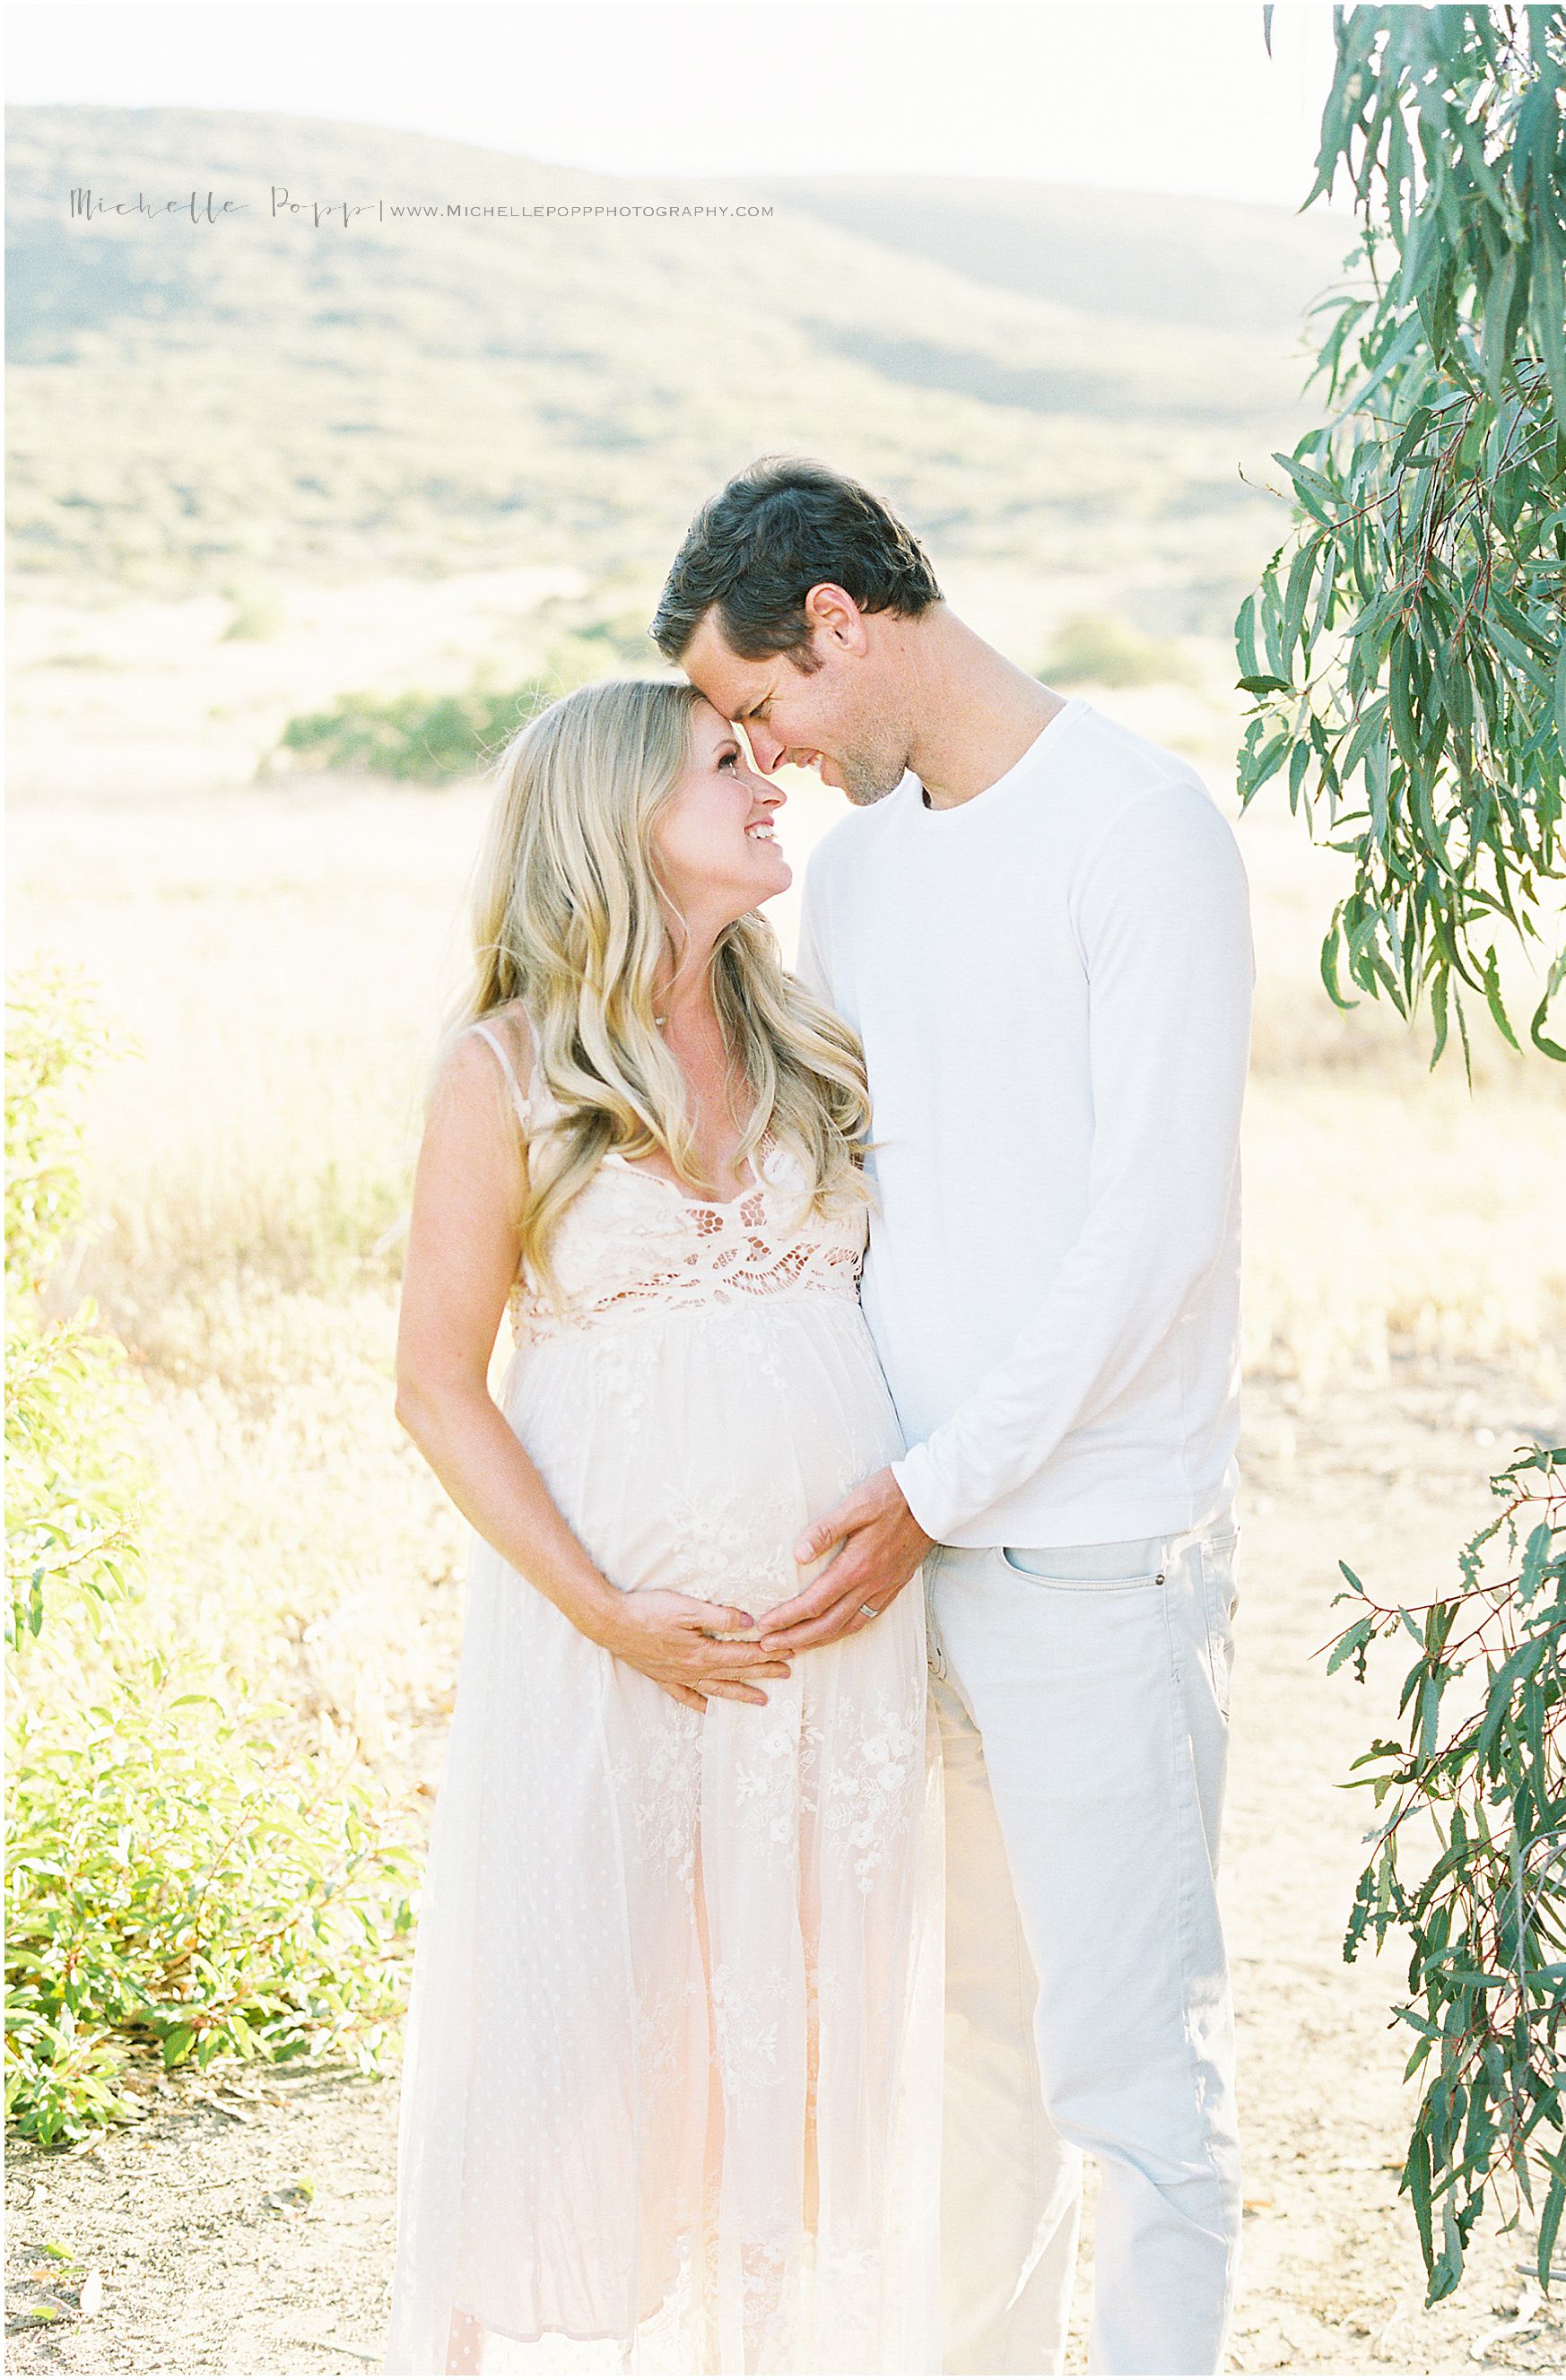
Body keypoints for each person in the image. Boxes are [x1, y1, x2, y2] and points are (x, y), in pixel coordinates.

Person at [654, 457, 1256, 2378]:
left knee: (1132, 2075)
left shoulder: (1136, 829)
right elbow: (847, 1192)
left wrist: (935, 1485)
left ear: (835, 620)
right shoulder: (867, 871)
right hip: (902, 1555)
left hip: (1085, 1548)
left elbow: (1147, 1234)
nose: (774, 758)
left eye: (765, 708)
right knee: (969, 2053)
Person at [382, 678, 943, 2377]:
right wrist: (607, 1608)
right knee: (590, 2044)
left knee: (791, 2059)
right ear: (622, 817)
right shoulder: (507, 1071)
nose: (771, 779)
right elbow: (435, 1384)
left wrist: (926, 1507)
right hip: (611, 1651)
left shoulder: (814, 1041)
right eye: (726, 762)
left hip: (828, 1671)